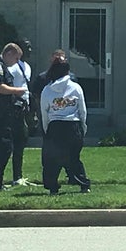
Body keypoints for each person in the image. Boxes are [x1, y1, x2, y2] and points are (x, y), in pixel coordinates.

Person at [39, 59, 91, 194]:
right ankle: (83, 184)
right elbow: (82, 110)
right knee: (73, 158)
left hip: (55, 126)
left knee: (51, 160)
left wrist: (46, 129)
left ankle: (52, 187)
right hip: (73, 126)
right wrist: (82, 126)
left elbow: (44, 112)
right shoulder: (76, 87)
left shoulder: (47, 90)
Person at [0, 43, 28, 191]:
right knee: (1, 148)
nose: (16, 62)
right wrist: (17, 91)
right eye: (16, 58)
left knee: (3, 148)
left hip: (3, 115)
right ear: (8, 53)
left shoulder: (2, 66)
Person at [5, 39, 35, 186]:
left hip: (25, 106)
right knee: (17, 140)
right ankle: (16, 176)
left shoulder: (26, 66)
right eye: (26, 47)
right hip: (15, 107)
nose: (29, 50)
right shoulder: (12, 67)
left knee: (22, 140)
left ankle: (19, 175)